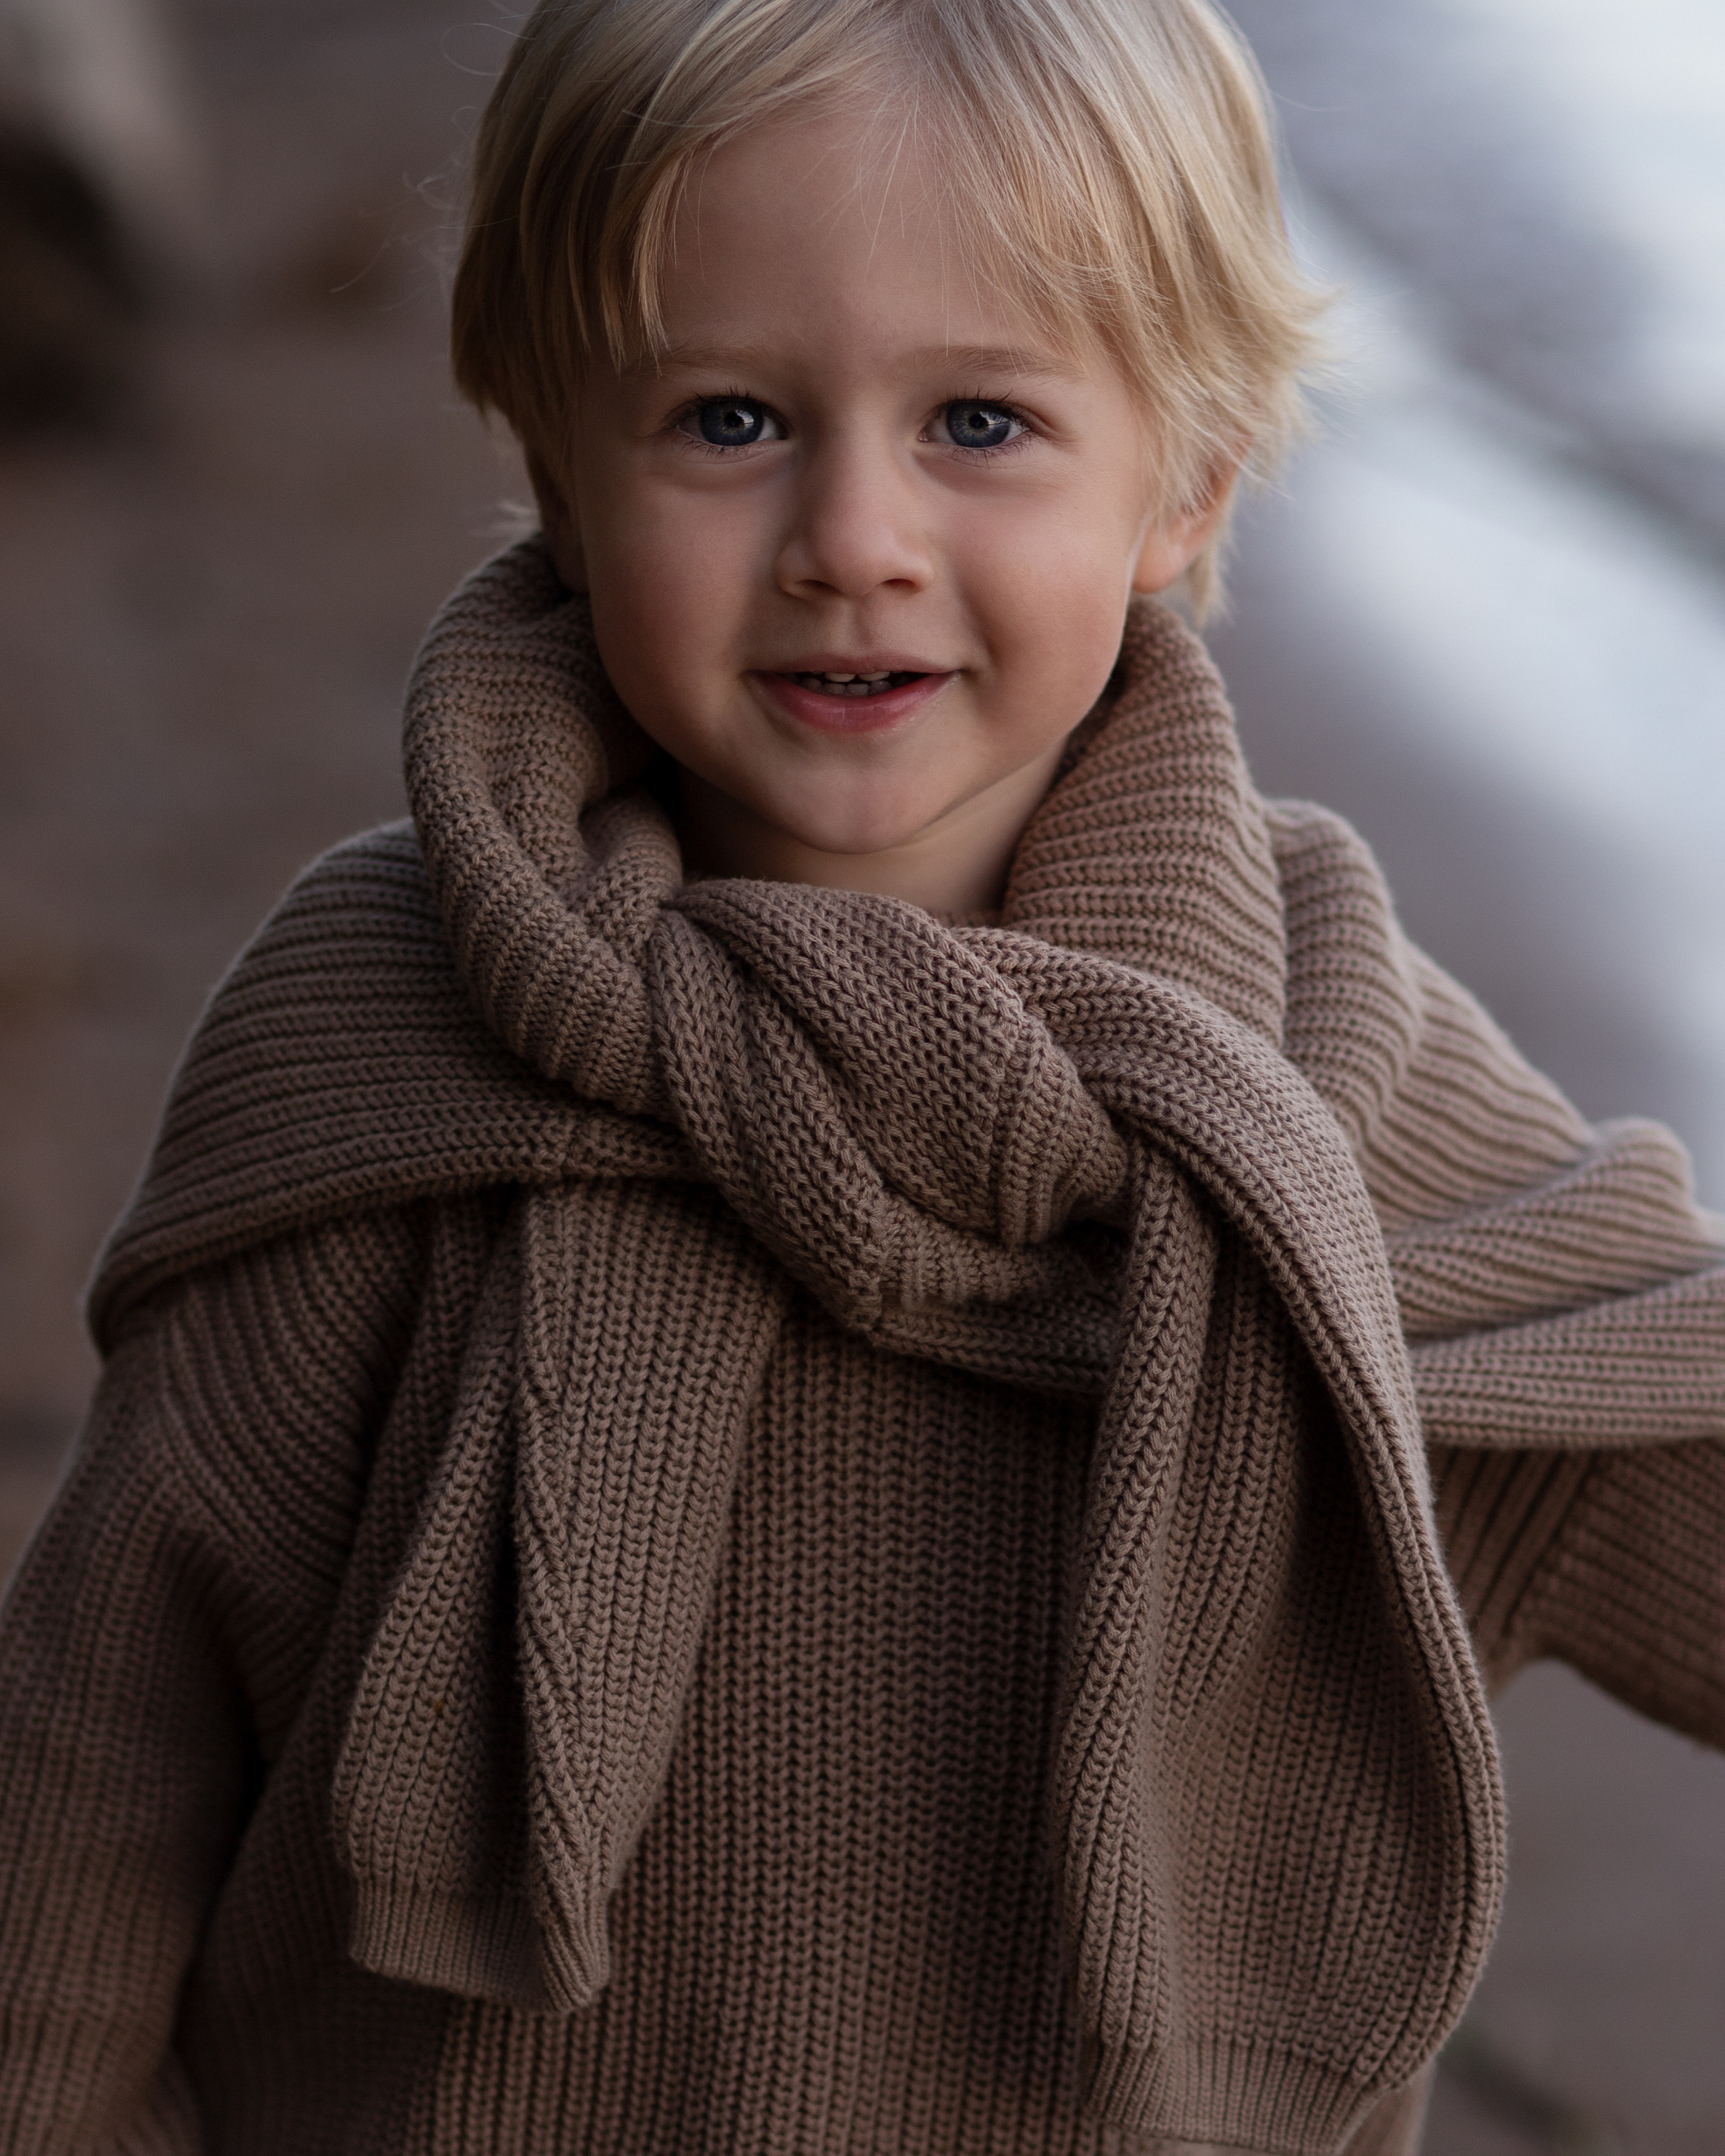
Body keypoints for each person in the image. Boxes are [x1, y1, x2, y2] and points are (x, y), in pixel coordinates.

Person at [1, 1, 1720, 2151]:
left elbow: (1669, 1434)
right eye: (727, 418)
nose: (852, 535)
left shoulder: (1312, 1075)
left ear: (1184, 476)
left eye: (982, 424)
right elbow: (101, 1759)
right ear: (552, 459)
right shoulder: (387, 1030)